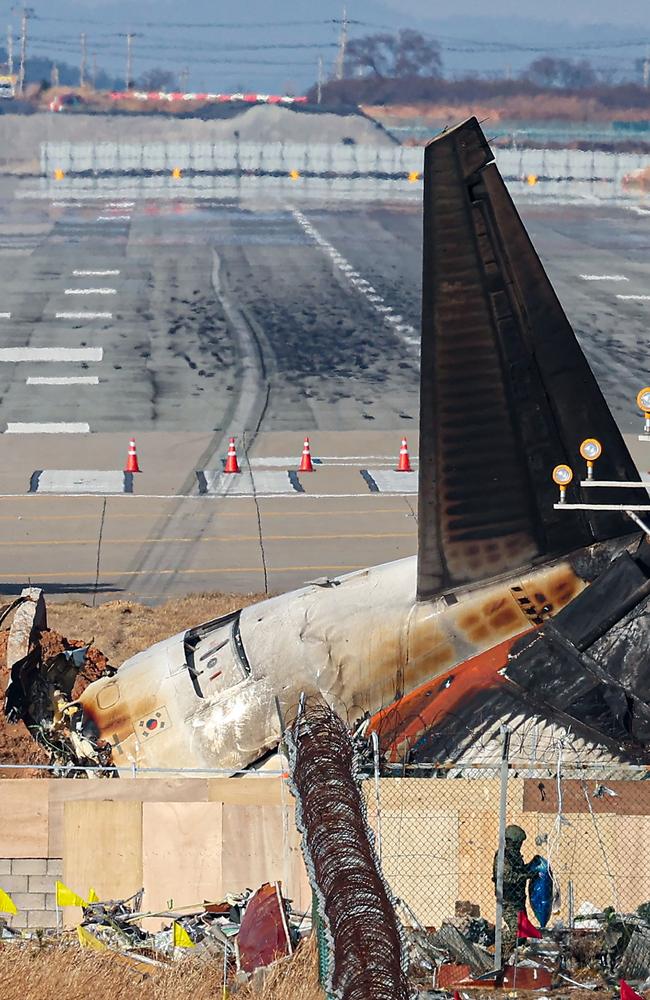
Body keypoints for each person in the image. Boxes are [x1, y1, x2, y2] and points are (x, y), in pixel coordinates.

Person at [492, 824, 540, 959]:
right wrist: (527, 876)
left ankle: (508, 956)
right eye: (519, 843)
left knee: (524, 934)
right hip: (508, 902)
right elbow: (508, 877)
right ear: (512, 841)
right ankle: (494, 940)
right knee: (517, 932)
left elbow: (520, 870)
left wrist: (531, 866)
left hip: (518, 900)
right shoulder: (503, 856)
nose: (520, 845)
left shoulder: (515, 855)